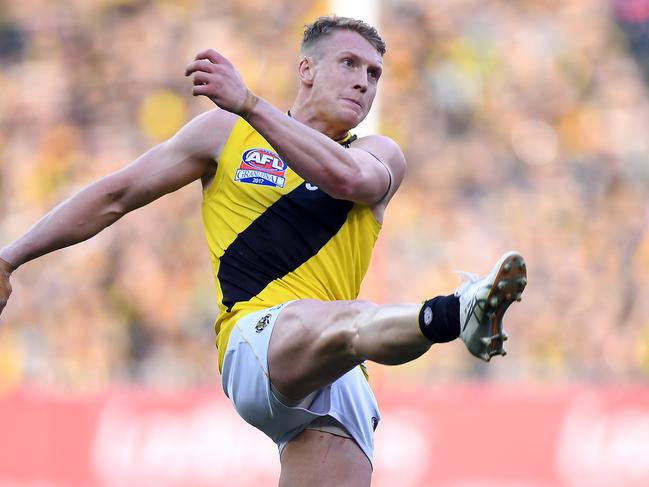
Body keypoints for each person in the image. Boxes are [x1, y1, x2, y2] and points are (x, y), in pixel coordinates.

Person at [0, 15, 526, 487]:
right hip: (258, 341)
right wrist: (9, 257)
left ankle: (459, 315)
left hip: (337, 373)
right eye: (349, 63)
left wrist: (252, 104)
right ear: (307, 69)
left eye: (374, 74)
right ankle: (457, 313)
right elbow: (114, 196)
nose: (364, 82)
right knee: (351, 323)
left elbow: (345, 179)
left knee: (352, 333)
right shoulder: (224, 133)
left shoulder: (378, 152)